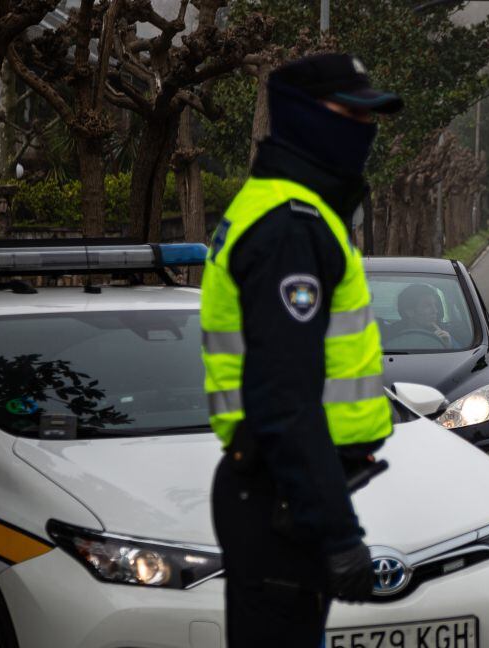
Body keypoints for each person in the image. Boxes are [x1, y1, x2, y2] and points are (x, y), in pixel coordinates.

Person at [200, 53, 403, 647]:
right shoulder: (290, 225)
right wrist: (337, 533)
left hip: (279, 490)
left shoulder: (289, 210)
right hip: (277, 496)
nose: (365, 130)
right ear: (302, 117)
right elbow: (283, 397)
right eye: (350, 113)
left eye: (372, 118)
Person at [392, 283, 453, 348]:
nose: (435, 311)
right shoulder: (394, 339)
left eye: (435, 305)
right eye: (427, 306)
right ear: (409, 312)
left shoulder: (444, 335)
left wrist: (448, 346)